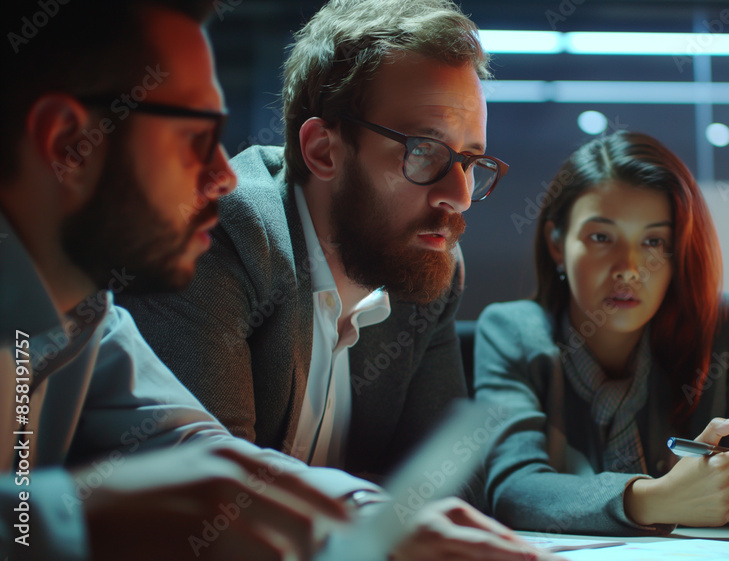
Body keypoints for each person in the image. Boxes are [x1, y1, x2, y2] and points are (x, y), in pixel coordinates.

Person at [0, 1, 555, 560]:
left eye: (470, 161)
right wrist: (73, 521)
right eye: (195, 136)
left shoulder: (90, 317)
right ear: (68, 142)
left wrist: (372, 517)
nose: (221, 176)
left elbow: (207, 461)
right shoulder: (238, 232)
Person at [118, 0, 504, 505]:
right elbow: (213, 503)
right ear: (323, 150)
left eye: (470, 160)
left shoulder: (429, 263)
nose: (458, 195)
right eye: (423, 151)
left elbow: (444, 488)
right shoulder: (225, 232)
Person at [474, 131, 729, 536]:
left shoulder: (728, 325)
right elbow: (513, 490)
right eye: (601, 237)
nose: (629, 268)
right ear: (557, 243)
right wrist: (657, 499)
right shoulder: (510, 330)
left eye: (654, 241)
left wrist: (713, 486)